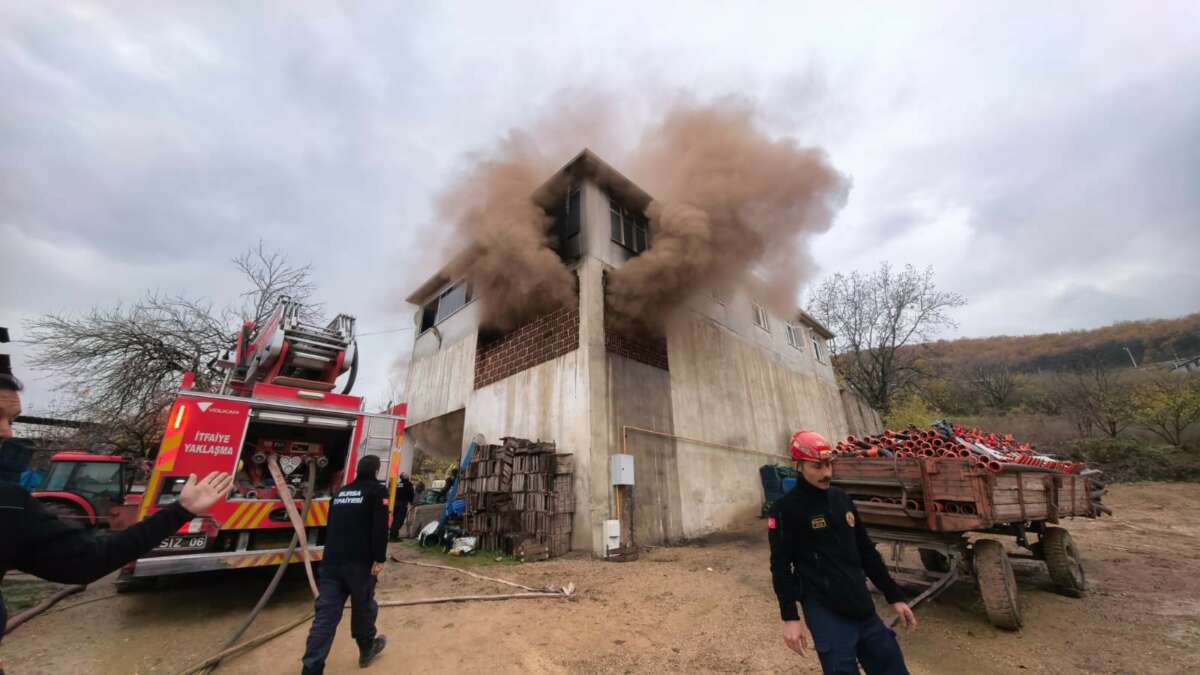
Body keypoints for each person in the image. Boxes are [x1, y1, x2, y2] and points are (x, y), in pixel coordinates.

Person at [0, 355, 234, 643]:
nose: (7, 431)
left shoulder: (9, 502)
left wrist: (182, 510)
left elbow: (87, 561)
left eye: (11, 420)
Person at [768, 430, 917, 675]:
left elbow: (866, 550)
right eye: (817, 466)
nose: (826, 473)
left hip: (859, 602)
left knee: (891, 665)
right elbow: (781, 567)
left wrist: (894, 595)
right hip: (824, 609)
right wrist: (790, 617)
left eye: (829, 464)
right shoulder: (786, 510)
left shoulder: (841, 499)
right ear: (799, 466)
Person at [301, 454, 388, 674]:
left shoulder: (340, 493)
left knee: (325, 617)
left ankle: (311, 668)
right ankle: (366, 648)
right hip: (359, 564)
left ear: (357, 470)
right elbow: (380, 528)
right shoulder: (377, 491)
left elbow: (331, 525)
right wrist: (379, 558)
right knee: (364, 607)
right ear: (376, 470)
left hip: (331, 562)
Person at [388, 472, 415, 541]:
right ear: (405, 477)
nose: (408, 476)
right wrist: (412, 502)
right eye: (406, 475)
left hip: (394, 504)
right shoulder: (408, 484)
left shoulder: (398, 484)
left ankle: (393, 535)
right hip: (402, 505)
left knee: (395, 520)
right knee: (399, 521)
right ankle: (393, 537)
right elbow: (411, 495)